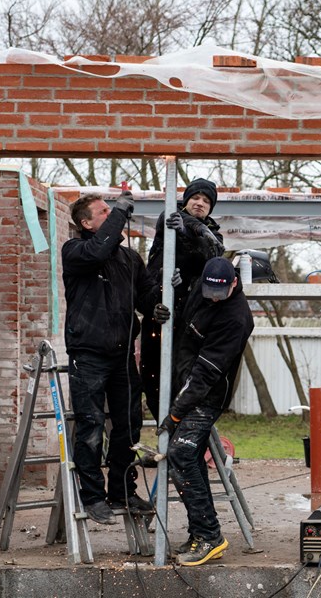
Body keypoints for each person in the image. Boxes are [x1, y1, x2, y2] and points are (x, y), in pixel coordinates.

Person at [62, 191, 170, 525]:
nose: (112, 215)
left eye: (113, 210)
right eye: (104, 211)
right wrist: (121, 211)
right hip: (89, 355)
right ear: (86, 223)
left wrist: (163, 296)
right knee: (92, 427)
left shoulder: (128, 259)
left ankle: (121, 490)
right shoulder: (77, 251)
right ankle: (92, 496)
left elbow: (145, 297)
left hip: (123, 357)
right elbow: (98, 250)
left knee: (129, 427)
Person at [158, 257, 254, 566]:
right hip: (187, 382)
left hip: (208, 393)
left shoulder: (236, 318)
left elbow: (206, 372)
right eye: (208, 291)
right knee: (187, 456)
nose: (212, 298)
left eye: (219, 294)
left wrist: (175, 413)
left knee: (182, 454)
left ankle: (211, 536)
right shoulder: (204, 287)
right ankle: (201, 532)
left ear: (234, 284)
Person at [140, 178, 225, 420]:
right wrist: (158, 298)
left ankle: (180, 443)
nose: (200, 203)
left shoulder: (212, 235)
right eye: (195, 198)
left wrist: (191, 231)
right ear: (186, 200)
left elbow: (214, 251)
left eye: (206, 201)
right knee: (153, 380)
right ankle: (163, 437)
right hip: (159, 313)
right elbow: (151, 275)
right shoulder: (169, 218)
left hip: (190, 319)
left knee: (184, 380)